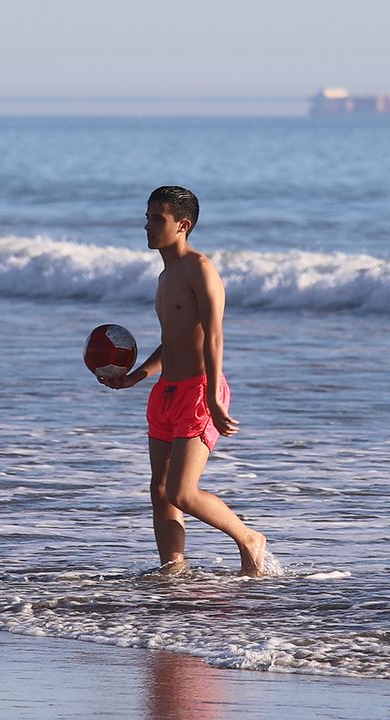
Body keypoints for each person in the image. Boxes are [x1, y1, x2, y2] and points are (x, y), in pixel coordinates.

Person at [99, 186, 267, 575]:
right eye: (147, 218)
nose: (148, 226)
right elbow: (171, 342)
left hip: (199, 391)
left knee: (182, 492)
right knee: (160, 492)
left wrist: (212, 397)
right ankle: (173, 570)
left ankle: (249, 538)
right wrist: (136, 377)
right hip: (167, 392)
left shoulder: (200, 269)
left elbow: (214, 334)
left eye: (158, 219)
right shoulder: (165, 276)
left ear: (182, 225)